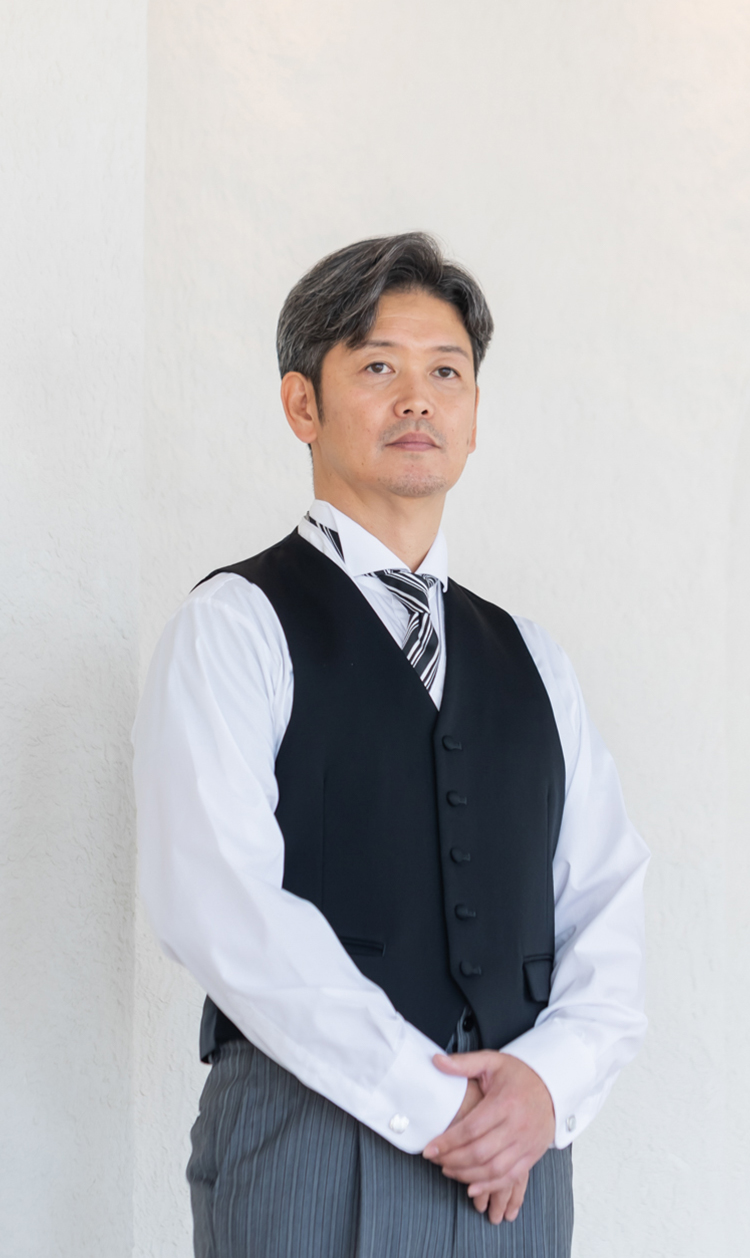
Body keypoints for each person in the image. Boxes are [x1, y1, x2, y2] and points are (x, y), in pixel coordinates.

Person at [132, 232, 648, 1258]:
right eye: (378, 368)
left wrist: (546, 1087)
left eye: (445, 373)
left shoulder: (534, 659)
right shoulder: (236, 625)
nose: (418, 399)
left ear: (473, 414)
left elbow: (608, 900)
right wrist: (431, 1101)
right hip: (309, 1136)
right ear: (302, 405)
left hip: (516, 1165)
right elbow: (216, 901)